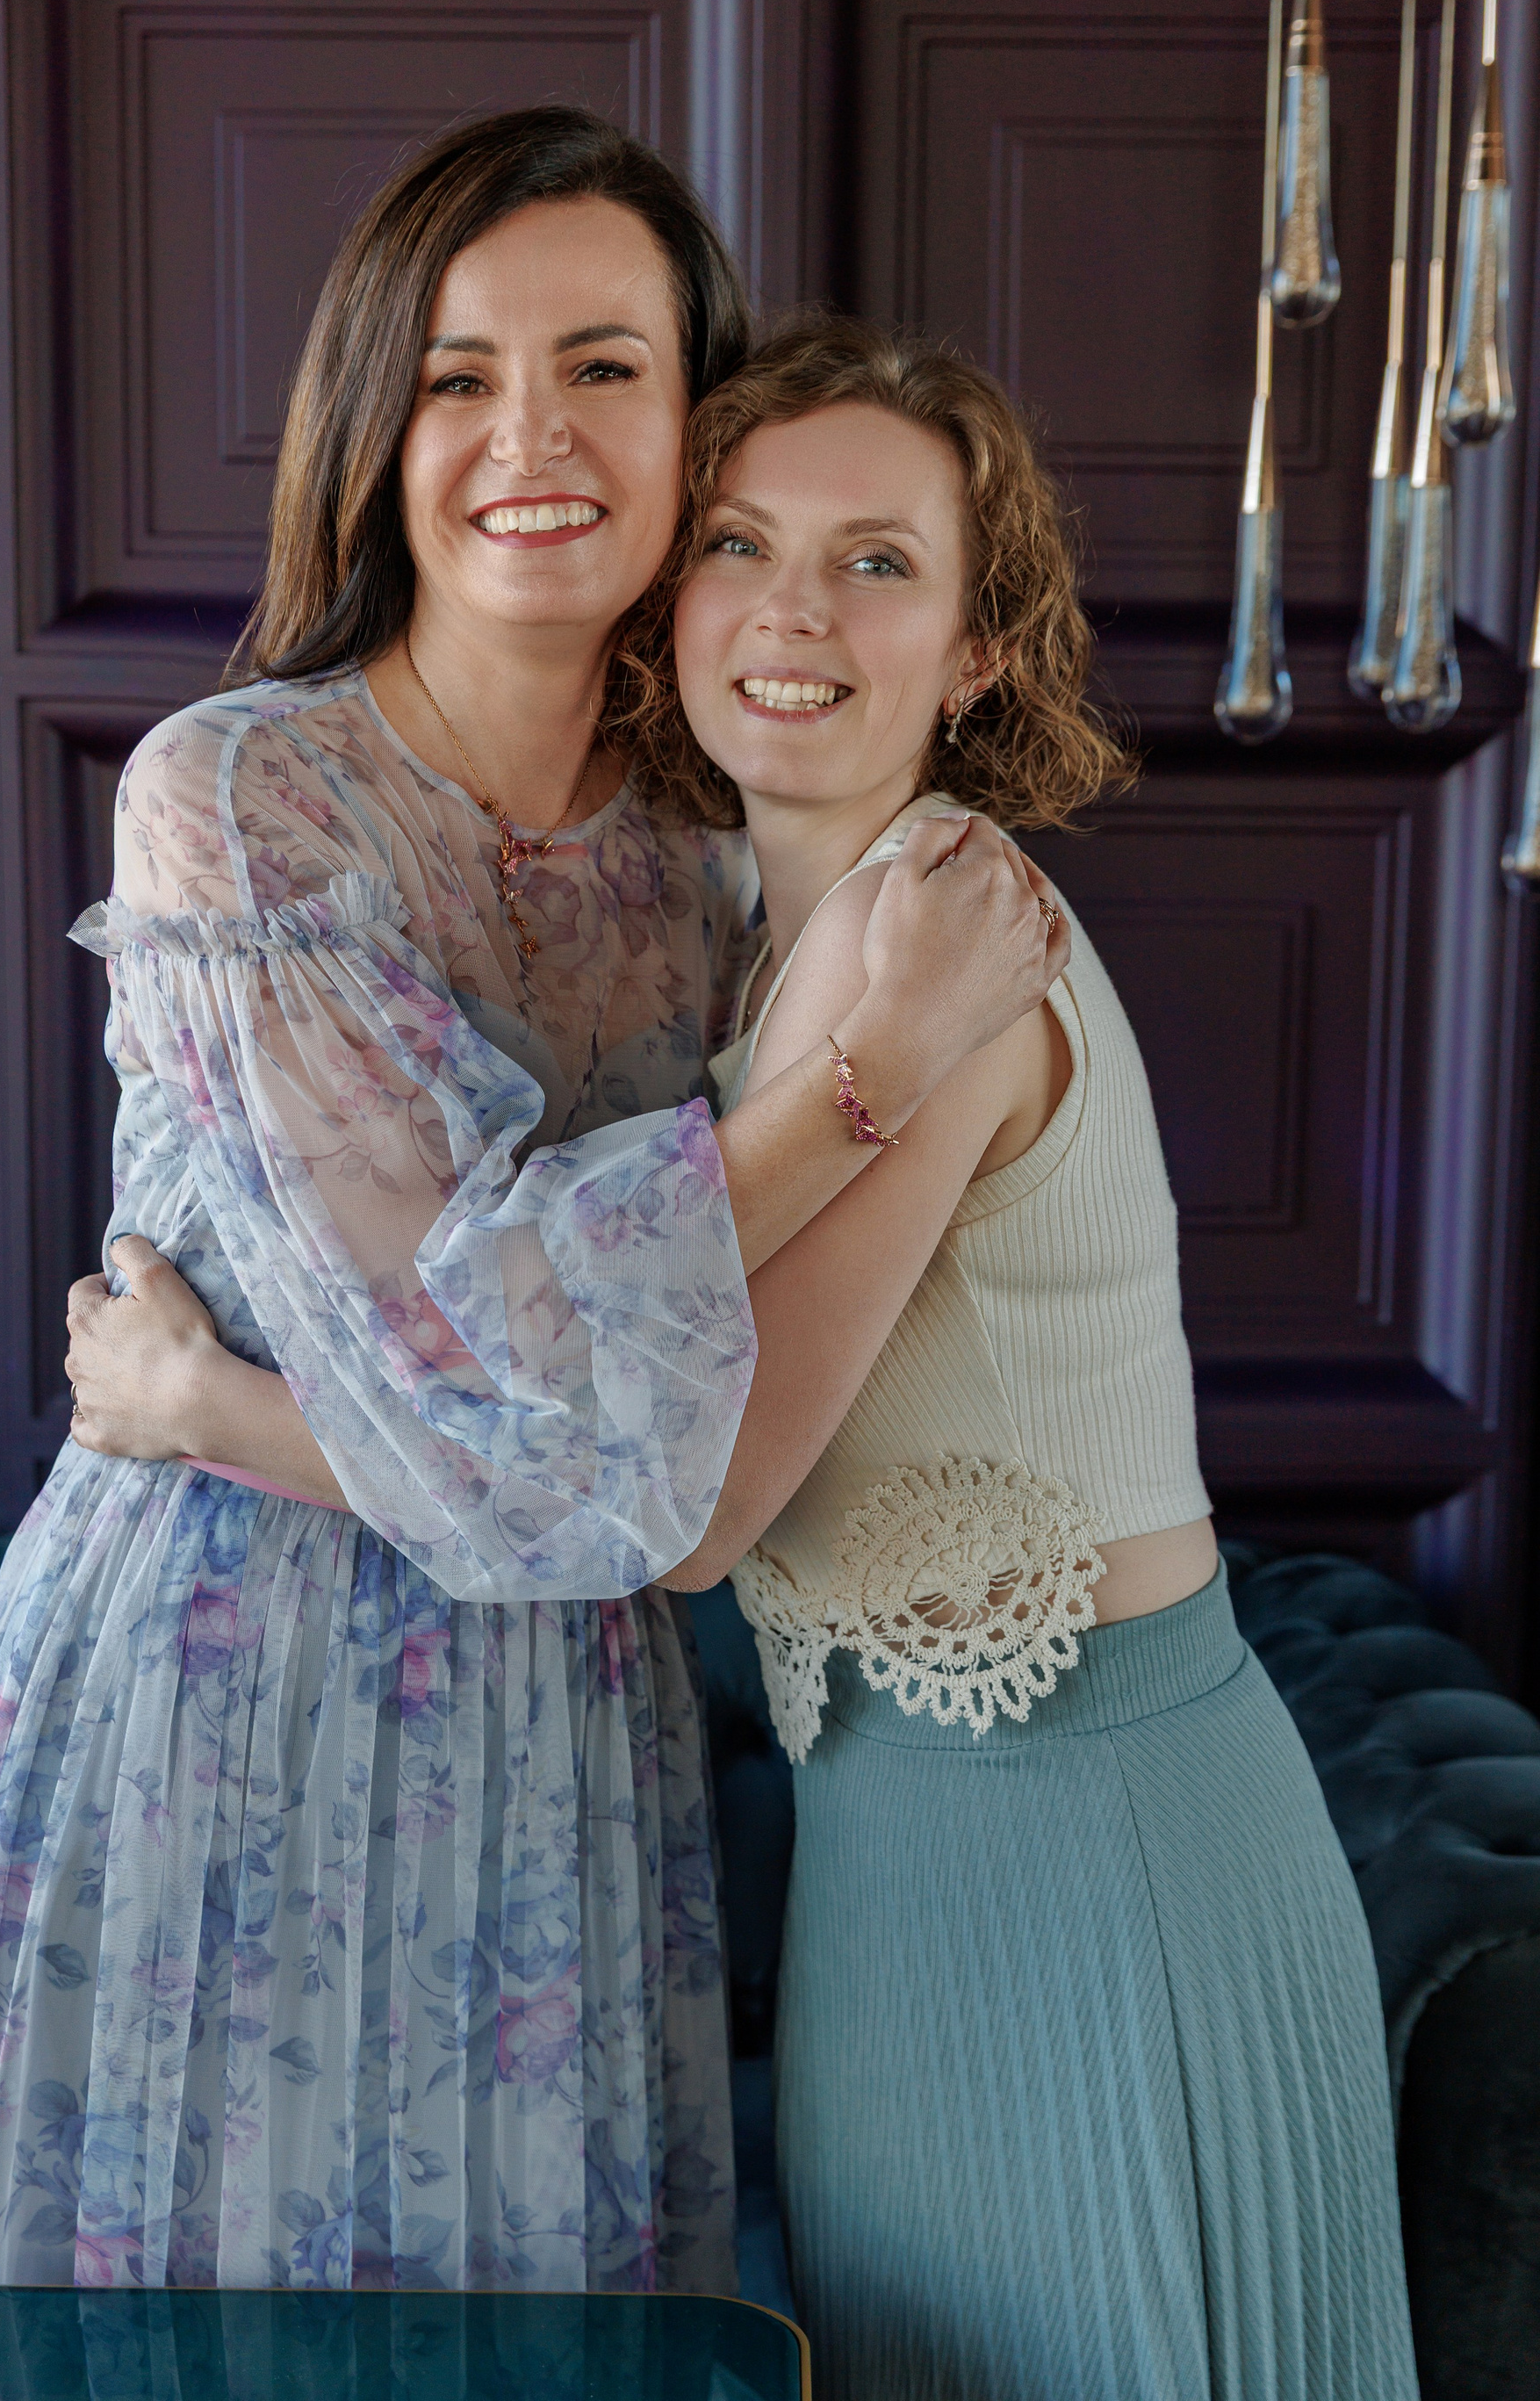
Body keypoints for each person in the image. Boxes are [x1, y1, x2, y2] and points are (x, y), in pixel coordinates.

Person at [0, 115, 1062, 2295]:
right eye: (457, 377)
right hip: (208, 1703)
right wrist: (856, 1091)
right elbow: (476, 1330)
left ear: (698, 426)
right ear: (374, 429)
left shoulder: (724, 845)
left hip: (559, 1734)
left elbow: (659, 1453)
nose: (535, 436)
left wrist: (210, 1402)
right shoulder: (239, 796)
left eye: (605, 367)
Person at [651, 318, 1420, 2399]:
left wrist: (219, 1414)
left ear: (978, 652)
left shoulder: (933, 934)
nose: (794, 608)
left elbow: (698, 1511)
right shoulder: (771, 941)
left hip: (1093, 1835)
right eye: (739, 542)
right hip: (903, 1843)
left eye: (878, 561)